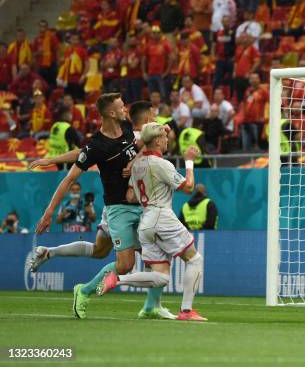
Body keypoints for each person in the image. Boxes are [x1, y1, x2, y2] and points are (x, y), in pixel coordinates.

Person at [33, 93, 170, 320]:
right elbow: (77, 165)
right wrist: (49, 213)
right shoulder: (98, 144)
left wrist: (53, 159)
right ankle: (85, 291)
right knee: (124, 262)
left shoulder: (127, 129)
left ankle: (151, 306)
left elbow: (134, 147)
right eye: (121, 106)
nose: (125, 109)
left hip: (138, 204)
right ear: (111, 113)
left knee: (114, 252)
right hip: (117, 208)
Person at [96, 122, 206, 322]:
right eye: (164, 137)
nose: (167, 140)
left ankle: (117, 279)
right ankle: (187, 311)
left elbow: (130, 197)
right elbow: (189, 187)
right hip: (162, 215)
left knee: (161, 277)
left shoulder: (136, 165)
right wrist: (189, 162)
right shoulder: (161, 164)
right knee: (195, 260)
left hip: (145, 221)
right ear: (156, 140)